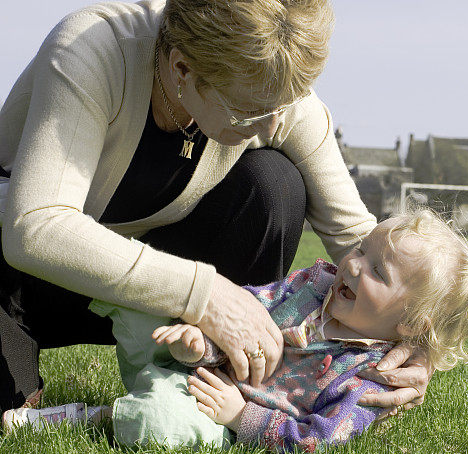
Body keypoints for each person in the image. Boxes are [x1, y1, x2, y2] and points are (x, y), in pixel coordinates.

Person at [0, 0, 430, 413]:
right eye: (248, 112)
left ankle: (222, 384)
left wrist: (418, 342)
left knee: (273, 185)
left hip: (150, 300)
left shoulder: (270, 88)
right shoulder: (91, 51)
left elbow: (361, 241)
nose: (273, 125)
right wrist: (204, 293)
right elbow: (35, 228)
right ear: (182, 69)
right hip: (22, 280)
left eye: (282, 107)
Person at [4, 210, 468, 453]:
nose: (354, 267)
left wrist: (240, 415)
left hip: (212, 413)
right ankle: (26, 301)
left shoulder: (372, 380)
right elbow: (251, 306)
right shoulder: (315, 284)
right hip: (188, 365)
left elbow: (320, 442)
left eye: (377, 272)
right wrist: (198, 341)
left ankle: (87, 418)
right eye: (361, 249)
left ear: (410, 325)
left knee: (160, 423)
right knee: (140, 303)